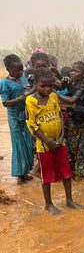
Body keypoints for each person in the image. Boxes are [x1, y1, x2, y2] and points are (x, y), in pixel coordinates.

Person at [25, 68, 82, 215]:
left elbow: (60, 117)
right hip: (44, 145)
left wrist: (62, 137)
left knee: (66, 172)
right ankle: (48, 204)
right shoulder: (30, 101)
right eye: (43, 86)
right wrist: (48, 141)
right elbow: (32, 125)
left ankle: (69, 200)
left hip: (60, 143)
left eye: (51, 86)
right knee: (47, 175)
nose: (48, 89)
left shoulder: (53, 97)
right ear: (35, 84)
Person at [57, 61, 84, 178]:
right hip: (74, 119)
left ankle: (83, 174)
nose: (72, 73)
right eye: (72, 70)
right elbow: (62, 87)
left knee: (83, 148)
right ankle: (72, 172)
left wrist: (54, 93)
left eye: (76, 71)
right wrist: (61, 81)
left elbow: (72, 100)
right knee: (72, 147)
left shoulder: (83, 86)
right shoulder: (73, 84)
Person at [0, 55, 34, 183]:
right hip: (14, 118)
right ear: (8, 69)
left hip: (26, 114)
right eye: (17, 70)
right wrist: (22, 98)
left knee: (28, 142)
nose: (20, 73)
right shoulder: (4, 83)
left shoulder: (23, 77)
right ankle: (20, 174)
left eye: (21, 70)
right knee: (18, 144)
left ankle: (27, 171)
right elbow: (5, 103)